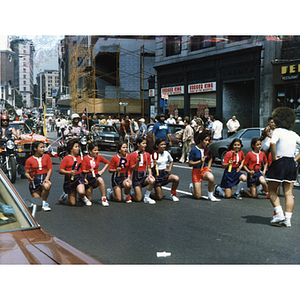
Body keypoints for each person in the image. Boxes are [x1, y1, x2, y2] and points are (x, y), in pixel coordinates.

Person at [266, 107, 300, 227]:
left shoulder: (278, 131)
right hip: (291, 163)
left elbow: (272, 143)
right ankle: (288, 219)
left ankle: (279, 213)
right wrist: (295, 159)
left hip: (279, 162)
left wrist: (274, 157)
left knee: (271, 190)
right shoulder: (294, 134)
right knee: (289, 193)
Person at [58, 138, 91, 206]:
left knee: (81, 192)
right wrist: (69, 172)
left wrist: (84, 178)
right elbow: (60, 170)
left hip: (79, 178)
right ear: (71, 148)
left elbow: (82, 169)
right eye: (76, 147)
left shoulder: (80, 158)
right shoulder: (66, 158)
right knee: (73, 203)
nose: (78, 148)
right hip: (70, 179)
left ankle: (84, 198)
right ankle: (66, 196)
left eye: (78, 147)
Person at [188, 130, 220, 201]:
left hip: (204, 170)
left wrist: (208, 167)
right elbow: (190, 163)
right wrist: (200, 161)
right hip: (196, 171)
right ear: (201, 140)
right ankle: (192, 187)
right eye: (206, 140)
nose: (207, 142)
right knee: (197, 196)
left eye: (208, 140)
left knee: (211, 177)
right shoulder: (194, 150)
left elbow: (211, 158)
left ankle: (210, 195)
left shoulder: (207, 149)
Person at [24, 141, 52, 211]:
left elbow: (50, 169)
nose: (43, 149)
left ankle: (44, 202)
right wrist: (29, 178)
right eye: (41, 147)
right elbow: (26, 173)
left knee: (47, 186)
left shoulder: (47, 157)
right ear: (35, 148)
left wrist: (47, 179)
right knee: (37, 205)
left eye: (43, 147)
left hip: (43, 178)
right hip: (35, 181)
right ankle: (39, 202)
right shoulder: (29, 160)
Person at [82, 142, 110, 207]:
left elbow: (107, 162)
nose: (97, 152)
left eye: (97, 150)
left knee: (100, 180)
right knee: (89, 200)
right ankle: (81, 196)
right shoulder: (86, 158)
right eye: (95, 150)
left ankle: (104, 198)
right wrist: (87, 173)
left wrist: (101, 171)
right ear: (90, 151)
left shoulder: (99, 157)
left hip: (96, 177)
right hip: (88, 178)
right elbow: (83, 170)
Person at [129, 136, 156, 204]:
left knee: (152, 180)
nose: (145, 145)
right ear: (138, 144)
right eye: (143, 143)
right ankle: (131, 193)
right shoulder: (133, 155)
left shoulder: (147, 155)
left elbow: (149, 167)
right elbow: (132, 168)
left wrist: (150, 175)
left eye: (145, 143)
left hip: (144, 176)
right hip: (136, 177)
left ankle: (147, 197)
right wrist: (137, 161)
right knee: (138, 199)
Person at [0, 114, 26, 178]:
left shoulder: (10, 127)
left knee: (16, 156)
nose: (5, 122)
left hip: (9, 143)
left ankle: (22, 172)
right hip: (1, 144)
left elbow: (15, 133)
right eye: (3, 120)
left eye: (6, 120)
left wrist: (19, 136)